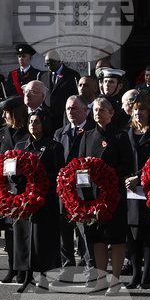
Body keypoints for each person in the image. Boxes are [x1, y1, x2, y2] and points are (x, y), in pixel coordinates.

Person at [77, 96, 134, 294]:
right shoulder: (86, 135)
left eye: (102, 110)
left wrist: (107, 173)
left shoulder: (120, 136)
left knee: (116, 238)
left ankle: (115, 281)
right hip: (92, 195)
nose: (98, 114)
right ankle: (101, 279)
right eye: (95, 110)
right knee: (97, 238)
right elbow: (80, 165)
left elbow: (128, 164)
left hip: (112, 195)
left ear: (111, 113)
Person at [12, 110, 64, 292]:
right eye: (31, 121)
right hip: (23, 199)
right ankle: (26, 276)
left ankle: (43, 278)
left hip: (44, 199)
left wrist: (36, 176)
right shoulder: (20, 146)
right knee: (24, 238)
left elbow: (58, 173)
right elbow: (10, 173)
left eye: (37, 122)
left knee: (42, 240)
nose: (33, 125)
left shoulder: (53, 147)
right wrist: (17, 176)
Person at [122, 94, 150, 289]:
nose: (138, 113)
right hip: (129, 190)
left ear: (149, 112)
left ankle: (147, 275)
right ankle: (135, 274)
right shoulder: (126, 132)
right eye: (136, 109)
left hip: (149, 188)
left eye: (142, 109)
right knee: (132, 235)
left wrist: (140, 176)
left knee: (148, 234)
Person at [52, 95, 94, 285]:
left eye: (75, 108)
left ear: (85, 110)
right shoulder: (60, 133)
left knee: (85, 232)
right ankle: (67, 270)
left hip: (85, 190)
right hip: (65, 191)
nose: (70, 112)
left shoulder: (92, 130)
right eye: (68, 108)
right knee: (65, 234)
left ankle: (89, 271)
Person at [0, 97, 31, 283]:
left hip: (23, 188)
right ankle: (11, 267)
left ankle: (23, 268)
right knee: (9, 230)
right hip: (6, 189)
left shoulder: (28, 132)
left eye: (6, 112)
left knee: (22, 230)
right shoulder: (1, 133)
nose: (3, 116)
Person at [38, 50, 80, 130]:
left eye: (51, 63)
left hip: (65, 116)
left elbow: (76, 95)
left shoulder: (72, 75)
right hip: (48, 118)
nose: (49, 67)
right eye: (46, 65)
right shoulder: (43, 76)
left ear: (59, 61)